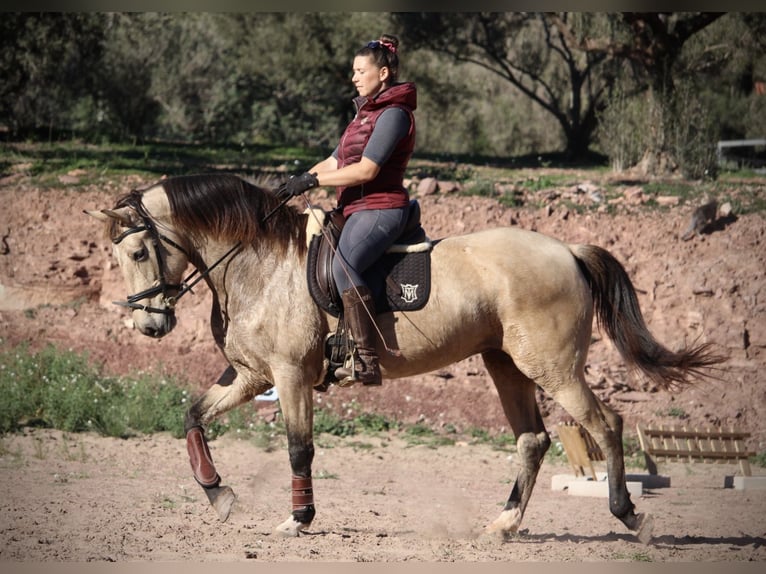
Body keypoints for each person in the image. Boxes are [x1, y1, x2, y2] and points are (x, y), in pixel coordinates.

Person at [277, 34, 417, 387]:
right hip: (354, 207)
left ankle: (367, 359)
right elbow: (337, 159)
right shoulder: (362, 116)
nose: (354, 77)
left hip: (381, 208)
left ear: (383, 73)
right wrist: (301, 178)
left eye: (360, 71)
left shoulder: (394, 115)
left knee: (343, 264)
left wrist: (314, 182)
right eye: (353, 71)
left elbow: (367, 170)